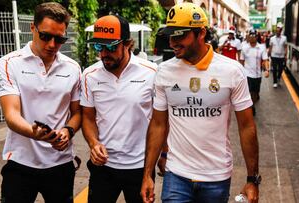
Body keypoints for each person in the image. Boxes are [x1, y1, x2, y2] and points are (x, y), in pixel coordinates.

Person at [141, 3, 260, 203]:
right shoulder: (164, 71)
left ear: (201, 33)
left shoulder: (231, 71)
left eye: (179, 36)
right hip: (176, 175)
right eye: (170, 36)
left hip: (217, 177)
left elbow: (247, 126)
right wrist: (147, 174)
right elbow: (158, 124)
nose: (172, 42)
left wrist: (252, 179)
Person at [0, 2, 81, 203]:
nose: (52, 44)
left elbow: (77, 113)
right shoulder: (10, 63)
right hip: (20, 163)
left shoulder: (73, 68)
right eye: (45, 36)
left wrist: (67, 131)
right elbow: (11, 114)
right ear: (32, 28)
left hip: (60, 163)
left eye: (59, 39)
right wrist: (37, 134)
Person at [80, 15, 157, 203]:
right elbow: (88, 117)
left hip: (140, 167)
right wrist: (93, 144)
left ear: (128, 44)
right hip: (103, 168)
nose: (104, 53)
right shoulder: (90, 75)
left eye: (112, 47)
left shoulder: (151, 72)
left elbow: (160, 121)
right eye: (99, 47)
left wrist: (161, 156)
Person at [239, 29, 269, 115]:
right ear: (248, 37)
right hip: (247, 74)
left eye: (254, 36)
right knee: (249, 92)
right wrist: (241, 72)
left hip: (257, 75)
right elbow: (241, 61)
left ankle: (253, 103)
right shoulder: (244, 47)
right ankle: (251, 107)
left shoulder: (261, 47)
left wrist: (267, 70)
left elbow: (265, 60)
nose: (252, 37)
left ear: (257, 37)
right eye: (251, 36)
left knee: (255, 93)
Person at [269, 23, 287, 88]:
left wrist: (285, 55)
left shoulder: (284, 38)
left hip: (281, 56)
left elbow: (285, 47)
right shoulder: (272, 38)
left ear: (281, 31)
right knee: (274, 69)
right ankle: (275, 82)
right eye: (277, 31)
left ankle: (279, 77)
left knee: (280, 69)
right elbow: (270, 47)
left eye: (279, 31)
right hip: (274, 56)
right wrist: (269, 54)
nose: (278, 32)